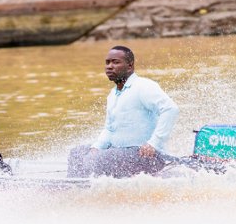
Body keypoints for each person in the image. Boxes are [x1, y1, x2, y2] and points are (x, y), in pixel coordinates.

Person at [70, 45, 179, 177]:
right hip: (119, 151)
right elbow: (110, 129)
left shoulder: (143, 86)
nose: (109, 66)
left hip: (146, 155)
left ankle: (81, 186)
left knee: (98, 160)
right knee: (77, 153)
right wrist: (96, 147)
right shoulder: (113, 94)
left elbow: (170, 109)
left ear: (130, 66)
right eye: (107, 62)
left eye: (115, 62)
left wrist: (153, 143)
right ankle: (74, 188)